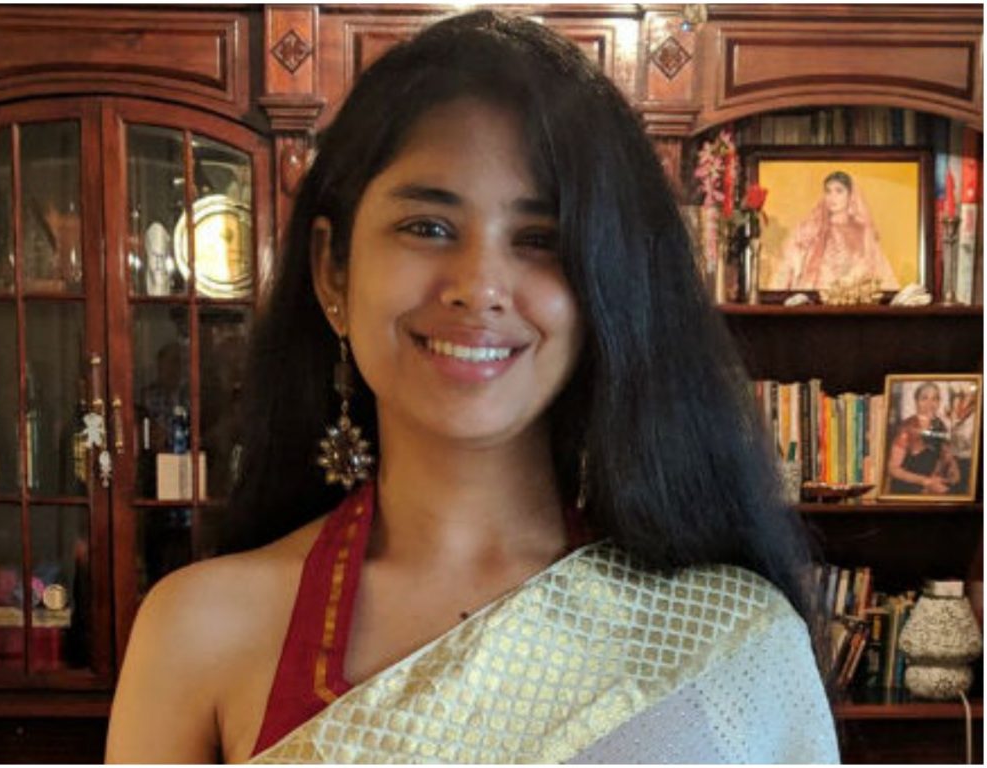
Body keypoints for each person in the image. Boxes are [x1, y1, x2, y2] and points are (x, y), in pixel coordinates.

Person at [106, 11, 837, 763]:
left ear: (606, 288)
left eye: (540, 240)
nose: (480, 287)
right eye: (427, 226)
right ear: (333, 271)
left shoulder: (722, 638)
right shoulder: (200, 631)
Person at [775, 170, 899, 292]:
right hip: (813, 298)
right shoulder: (811, 229)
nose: (832, 197)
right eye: (828, 191)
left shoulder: (863, 234)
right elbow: (787, 267)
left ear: (850, 195)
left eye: (839, 191)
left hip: (852, 299)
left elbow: (881, 271)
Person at [887, 381, 961, 495]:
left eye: (935, 398)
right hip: (907, 490)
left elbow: (945, 453)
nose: (930, 404)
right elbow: (893, 469)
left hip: (931, 487)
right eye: (924, 398)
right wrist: (926, 482)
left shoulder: (939, 424)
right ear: (916, 401)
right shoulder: (906, 428)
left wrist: (953, 467)